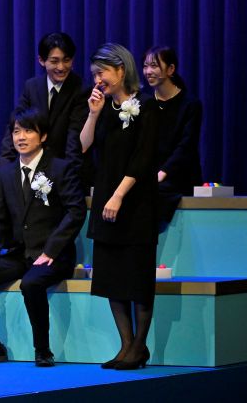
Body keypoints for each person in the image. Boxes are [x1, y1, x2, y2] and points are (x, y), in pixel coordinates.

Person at [0, 108, 85, 367]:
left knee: (31, 284)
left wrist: (51, 250)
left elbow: (76, 212)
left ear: (43, 136)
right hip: (18, 254)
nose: (21, 137)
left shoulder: (60, 168)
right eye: (16, 131)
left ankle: (43, 350)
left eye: (28, 131)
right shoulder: (6, 174)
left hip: (52, 255)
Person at [79, 42, 159, 370]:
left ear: (121, 70)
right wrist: (93, 113)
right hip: (106, 201)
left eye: (102, 73)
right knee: (112, 278)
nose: (98, 79)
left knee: (137, 278)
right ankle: (126, 345)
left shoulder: (147, 107)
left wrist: (119, 195)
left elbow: (143, 158)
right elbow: (83, 146)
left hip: (135, 203)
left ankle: (140, 347)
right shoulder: (102, 108)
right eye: (94, 74)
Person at [0, 32, 94, 187]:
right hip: (34, 170)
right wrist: (4, 171)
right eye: (54, 61)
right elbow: (15, 125)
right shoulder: (31, 87)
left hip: (67, 174)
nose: (61, 67)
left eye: (66, 60)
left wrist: (67, 180)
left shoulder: (82, 89)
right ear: (42, 60)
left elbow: (74, 141)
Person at [142, 46, 203, 223]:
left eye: (154, 66)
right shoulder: (144, 103)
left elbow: (186, 146)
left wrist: (163, 172)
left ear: (171, 69)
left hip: (178, 176)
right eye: (145, 66)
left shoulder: (190, 104)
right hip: (150, 175)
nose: (148, 71)